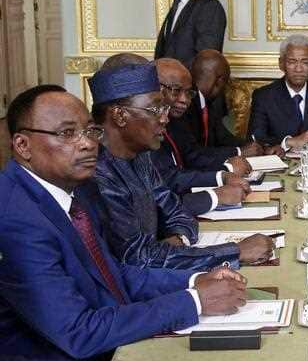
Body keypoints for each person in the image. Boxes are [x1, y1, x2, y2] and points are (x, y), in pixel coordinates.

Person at [0, 85, 249, 361]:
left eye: (91, 131)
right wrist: (192, 302)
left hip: (113, 337)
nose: (87, 143)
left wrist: (195, 281)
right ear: (22, 145)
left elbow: (112, 275)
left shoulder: (73, 191)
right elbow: (79, 332)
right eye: (67, 133)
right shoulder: (16, 219)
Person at [85, 61, 274, 270]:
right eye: (155, 109)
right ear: (120, 115)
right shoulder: (97, 176)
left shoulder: (140, 157)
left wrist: (178, 242)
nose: (165, 118)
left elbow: (175, 211)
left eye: (164, 108)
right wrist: (234, 251)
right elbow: (138, 259)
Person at [153, 58, 254, 216]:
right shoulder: (142, 133)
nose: (185, 100)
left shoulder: (171, 118)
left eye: (188, 93)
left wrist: (224, 174)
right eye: (176, 90)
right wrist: (217, 192)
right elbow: (171, 179)